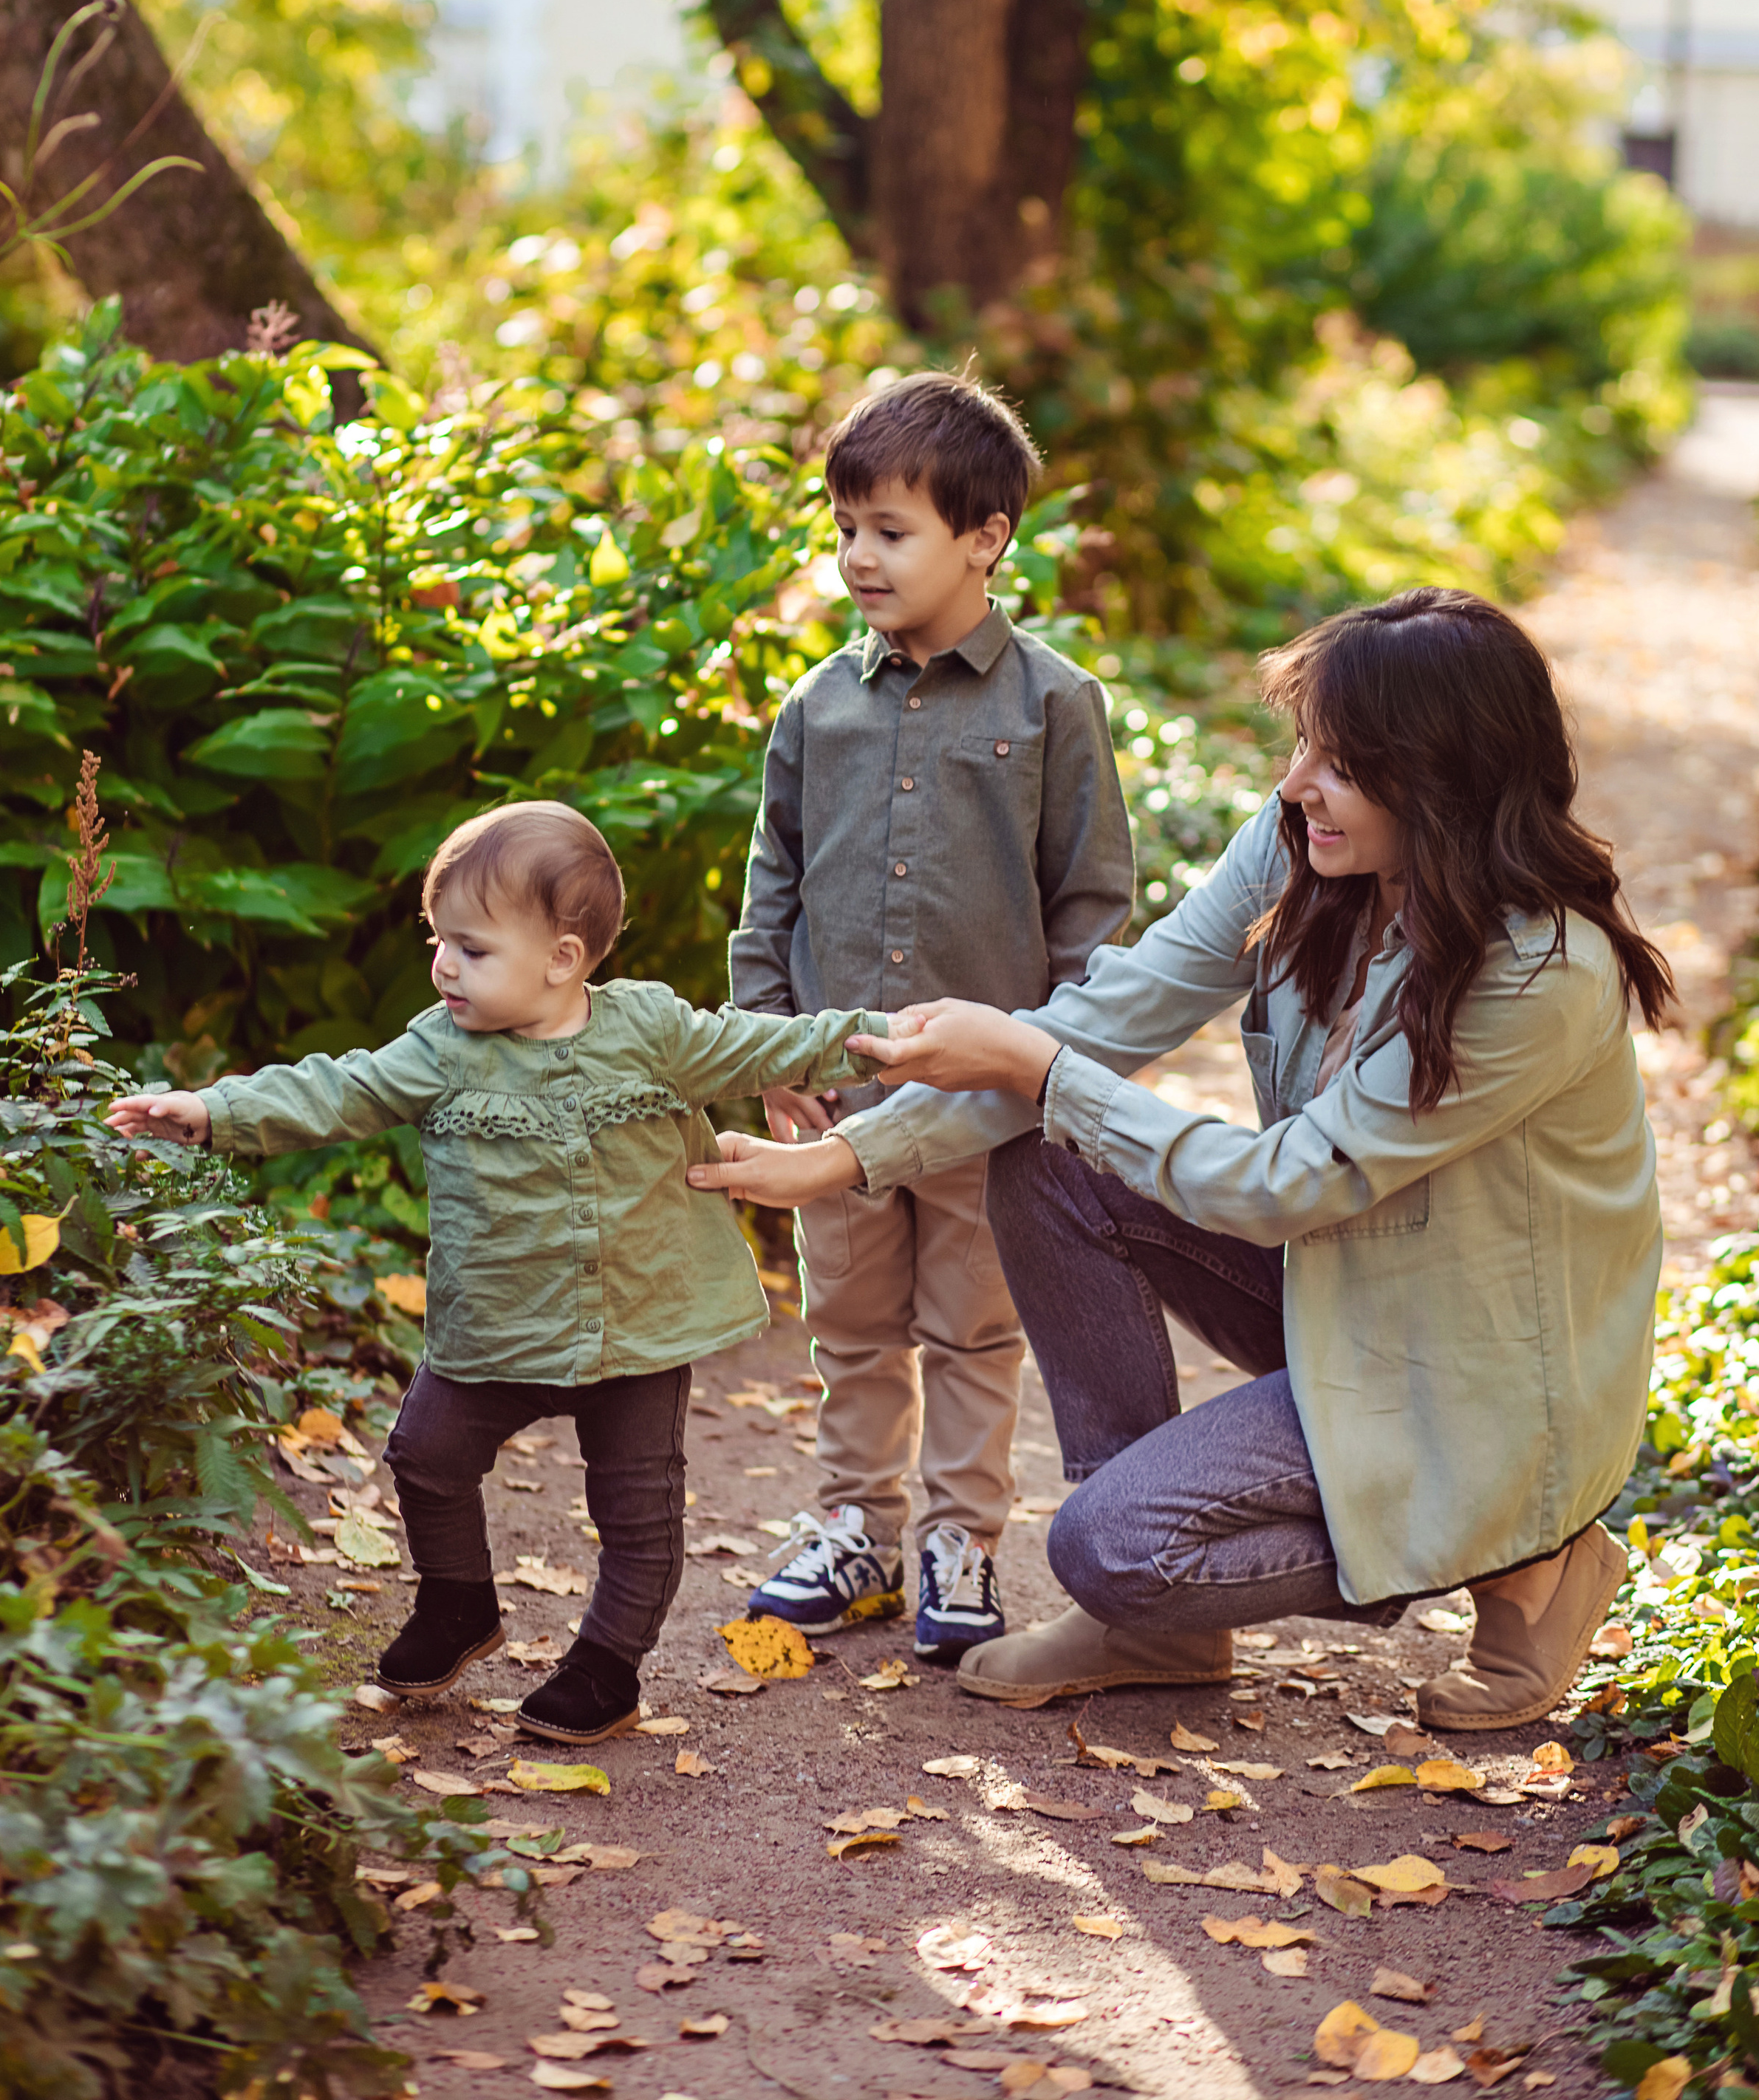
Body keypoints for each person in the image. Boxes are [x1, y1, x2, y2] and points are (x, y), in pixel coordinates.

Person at [691, 587, 1669, 1733]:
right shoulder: (1307, 848)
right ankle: (1160, 1630)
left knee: (1106, 1545)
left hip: (1476, 1375)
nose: (1298, 782)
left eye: (1340, 762)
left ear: (1447, 780)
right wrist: (850, 1156)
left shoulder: (1540, 974)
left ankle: (1519, 1544)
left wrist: (1040, 1073)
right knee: (1048, 1159)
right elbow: (1116, 1011)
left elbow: (1286, 1184)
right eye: (1303, 743)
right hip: (1347, 1283)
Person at [107, 800, 887, 1745]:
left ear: (561, 958)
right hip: (497, 1323)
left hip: (637, 1325)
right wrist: (212, 1109)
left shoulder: (650, 1031)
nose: (443, 967)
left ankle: (607, 1665)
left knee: (636, 1508)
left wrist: (889, 1037)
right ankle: (458, 1605)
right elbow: (337, 1088)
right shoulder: (439, 1048)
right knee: (427, 1456)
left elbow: (764, 1042)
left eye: (471, 950)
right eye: (439, 942)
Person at [728, 371, 1133, 1663]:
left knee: (971, 1326)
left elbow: (1093, 902)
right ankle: (852, 1526)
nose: (856, 556)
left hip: (980, 1103)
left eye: (888, 531)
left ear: (984, 539)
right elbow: (772, 883)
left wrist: (1054, 1070)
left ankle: (960, 1541)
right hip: (835, 1088)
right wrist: (768, 1045)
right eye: (845, 527)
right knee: (846, 1324)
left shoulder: (1052, 704)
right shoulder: (817, 708)